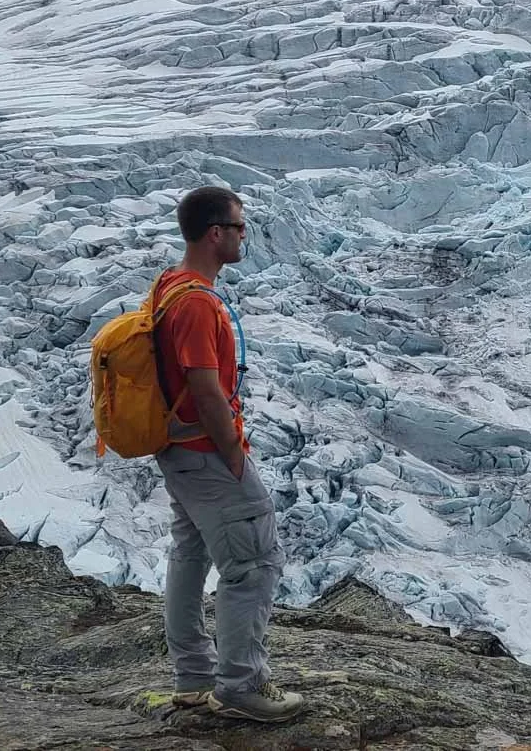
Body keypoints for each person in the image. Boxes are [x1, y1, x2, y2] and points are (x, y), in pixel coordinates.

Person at [153, 185, 303, 722]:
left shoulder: (171, 286)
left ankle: (193, 678)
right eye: (239, 228)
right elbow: (205, 388)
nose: (244, 236)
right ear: (215, 233)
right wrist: (235, 456)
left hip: (180, 453)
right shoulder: (195, 302)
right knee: (255, 562)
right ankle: (240, 686)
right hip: (206, 454)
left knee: (189, 552)